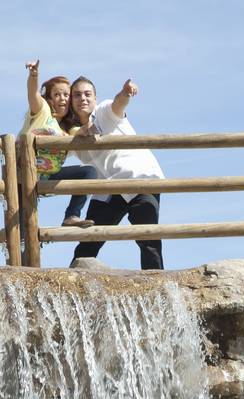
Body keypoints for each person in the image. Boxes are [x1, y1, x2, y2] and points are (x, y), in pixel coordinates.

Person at [66, 76, 165, 270]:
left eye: (87, 94)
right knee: (89, 240)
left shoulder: (103, 111)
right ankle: (71, 284)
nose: (82, 99)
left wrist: (126, 93)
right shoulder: (72, 134)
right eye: (77, 95)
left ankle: (157, 286)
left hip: (138, 178)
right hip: (107, 189)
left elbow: (118, 104)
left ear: (95, 98)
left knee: (148, 239)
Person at [20, 60, 95, 228]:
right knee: (22, 226)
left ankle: (72, 216)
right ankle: (16, 252)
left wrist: (89, 126)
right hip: (24, 175)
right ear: (50, 98)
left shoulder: (69, 128)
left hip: (49, 177)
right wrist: (34, 75)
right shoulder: (42, 111)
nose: (63, 98)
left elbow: (80, 132)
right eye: (57, 94)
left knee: (89, 172)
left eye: (67, 95)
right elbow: (33, 95)